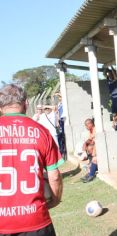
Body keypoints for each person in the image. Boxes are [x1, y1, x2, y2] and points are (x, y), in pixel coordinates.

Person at [0, 84, 63, 235]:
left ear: (1, 107)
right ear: (26, 103)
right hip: (35, 220)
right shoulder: (42, 132)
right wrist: (55, 200)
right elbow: (54, 176)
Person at [80, 118, 97, 183]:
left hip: (100, 149)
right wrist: (85, 144)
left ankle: (91, 175)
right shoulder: (90, 131)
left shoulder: (95, 129)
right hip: (95, 150)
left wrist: (88, 145)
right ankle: (90, 174)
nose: (86, 127)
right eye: (85, 125)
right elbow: (89, 140)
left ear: (91, 124)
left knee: (94, 159)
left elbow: (93, 142)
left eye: (87, 125)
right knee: (92, 160)